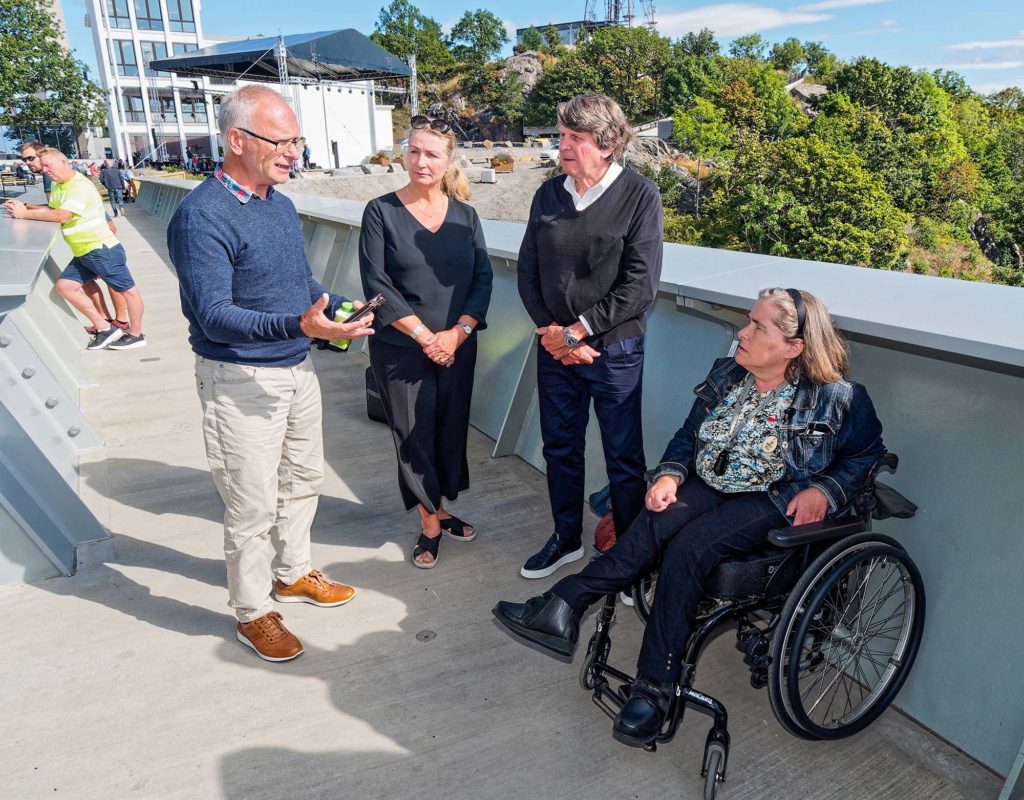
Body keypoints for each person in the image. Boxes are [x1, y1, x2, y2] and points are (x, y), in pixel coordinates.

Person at [494, 287, 885, 747]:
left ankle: (653, 689)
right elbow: (687, 436)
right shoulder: (728, 373)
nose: (742, 332)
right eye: (748, 321)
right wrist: (670, 476)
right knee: (656, 520)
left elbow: (868, 453)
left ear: (794, 347)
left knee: (690, 548)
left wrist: (824, 489)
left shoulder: (838, 398)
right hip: (708, 483)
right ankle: (565, 605)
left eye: (757, 326)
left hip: (770, 497)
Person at [168, 85, 376, 663]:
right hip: (239, 379)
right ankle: (254, 611)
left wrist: (335, 306)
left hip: (294, 368)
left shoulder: (276, 202)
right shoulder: (200, 217)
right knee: (251, 504)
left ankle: (293, 573)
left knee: (303, 480)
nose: (294, 153)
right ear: (237, 140)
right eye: (282, 141)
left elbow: (299, 285)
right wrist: (301, 325)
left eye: (297, 141)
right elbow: (214, 315)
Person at [516, 93, 663, 580]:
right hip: (556, 348)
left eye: (575, 138)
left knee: (623, 455)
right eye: (562, 136)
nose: (564, 146)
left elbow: (640, 285)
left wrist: (578, 332)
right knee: (560, 446)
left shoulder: (640, 195)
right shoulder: (549, 195)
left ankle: (629, 559)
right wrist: (555, 334)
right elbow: (528, 272)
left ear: (606, 144)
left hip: (614, 348)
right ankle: (564, 540)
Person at [359, 115, 493, 569]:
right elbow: (377, 284)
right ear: (403, 154)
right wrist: (425, 337)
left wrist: (456, 334)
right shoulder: (380, 212)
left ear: (449, 160)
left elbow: (482, 280)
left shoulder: (466, 217)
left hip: (457, 346)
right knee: (412, 434)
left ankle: (440, 505)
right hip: (401, 349)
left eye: (432, 153)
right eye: (414, 151)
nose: (421, 161)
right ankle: (430, 523)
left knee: (449, 429)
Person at [4, 146, 145, 350]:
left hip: (101, 249)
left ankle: (136, 334)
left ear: (64, 163)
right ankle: (105, 328)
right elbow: (55, 209)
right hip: (84, 252)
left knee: (129, 291)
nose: (45, 170)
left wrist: (25, 215)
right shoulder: (59, 185)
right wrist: (25, 207)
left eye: (48, 166)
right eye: (43, 167)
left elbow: (64, 216)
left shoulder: (78, 185)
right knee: (65, 287)